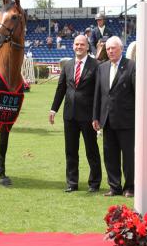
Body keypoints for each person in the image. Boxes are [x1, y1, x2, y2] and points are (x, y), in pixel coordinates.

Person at [49, 35, 102, 193]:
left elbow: (99, 92)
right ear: (73, 46)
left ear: (87, 47)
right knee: (71, 151)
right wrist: (53, 109)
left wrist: (97, 115)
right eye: (76, 44)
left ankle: (94, 183)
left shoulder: (96, 66)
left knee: (91, 150)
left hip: (88, 117)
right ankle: (72, 182)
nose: (79, 47)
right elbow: (61, 89)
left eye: (82, 44)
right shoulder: (68, 65)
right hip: (69, 116)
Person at [92, 36, 136, 198]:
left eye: (113, 48)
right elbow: (98, 94)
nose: (110, 51)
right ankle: (114, 187)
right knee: (110, 156)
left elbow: (137, 94)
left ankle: (130, 187)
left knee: (129, 157)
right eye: (108, 49)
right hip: (107, 120)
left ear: (121, 49)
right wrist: (95, 116)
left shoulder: (131, 66)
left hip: (126, 120)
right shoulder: (102, 68)